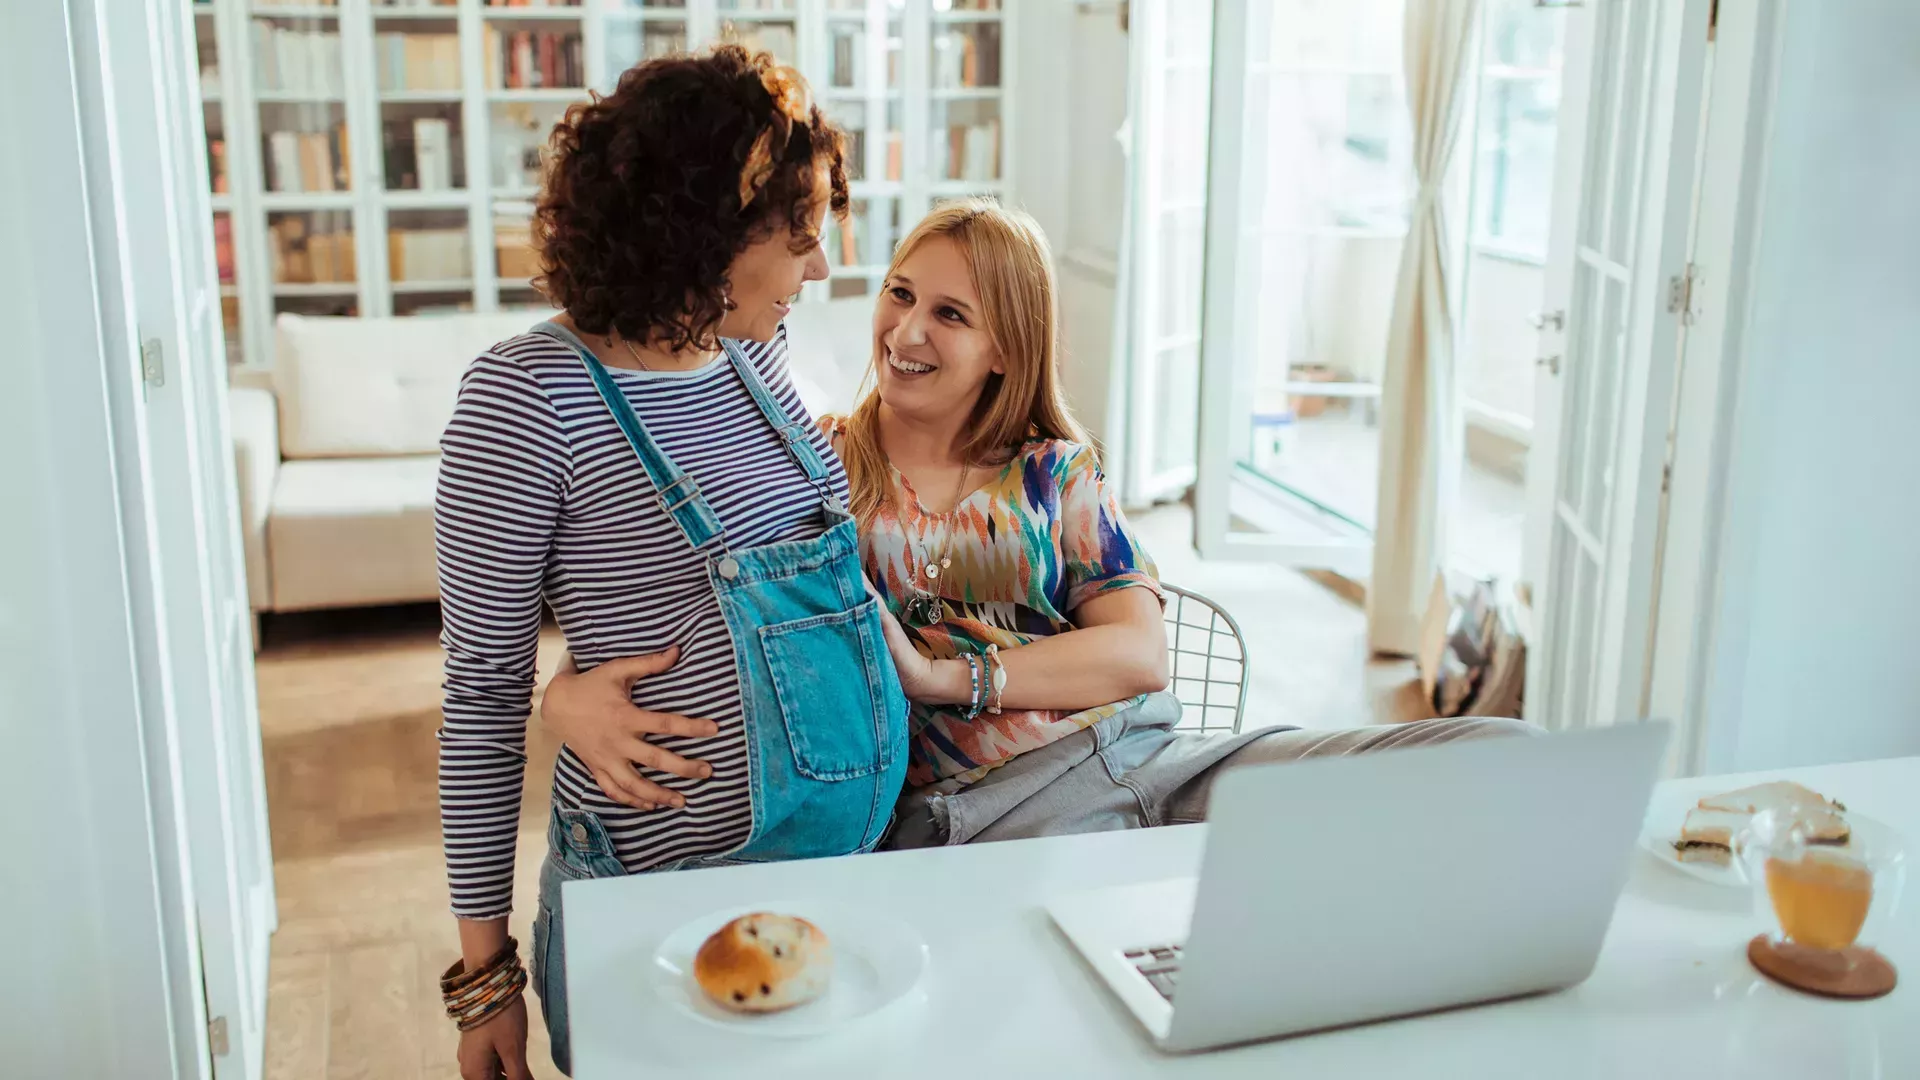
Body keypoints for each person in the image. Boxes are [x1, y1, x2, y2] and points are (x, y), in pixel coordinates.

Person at [542, 199, 1528, 857]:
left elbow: (1142, 654)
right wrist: (562, 698)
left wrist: (949, 677)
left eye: (950, 315)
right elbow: (680, 605)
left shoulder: (1055, 470)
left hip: (1140, 760)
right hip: (967, 827)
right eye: (900, 294)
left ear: (1007, 347)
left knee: (1458, 761)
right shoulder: (816, 460)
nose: (907, 331)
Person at [432, 48, 905, 1080]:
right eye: (799, 235)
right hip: (664, 901)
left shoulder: (752, 354)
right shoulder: (524, 401)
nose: (819, 267)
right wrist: (485, 984)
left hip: (845, 881)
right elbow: (478, 699)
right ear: (704, 235)